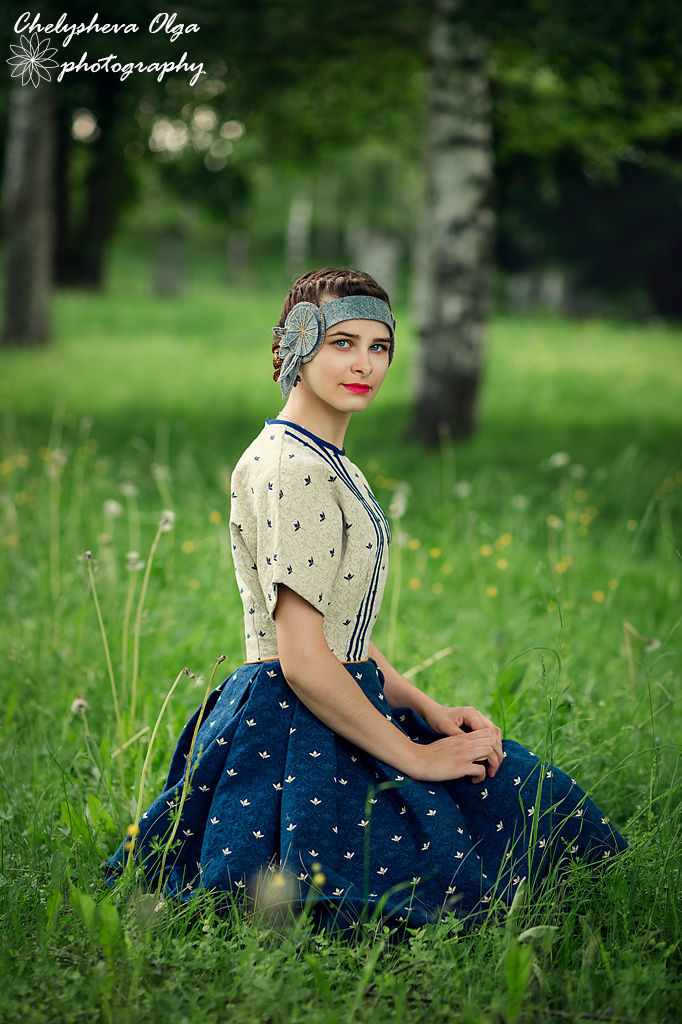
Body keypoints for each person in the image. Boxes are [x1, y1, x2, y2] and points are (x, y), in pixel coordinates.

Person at [107, 267, 627, 929]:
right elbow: (301, 657)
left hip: (340, 694)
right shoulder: (292, 467)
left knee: (530, 797)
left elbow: (338, 632)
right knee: (431, 877)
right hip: (294, 725)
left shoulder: (324, 457)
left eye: (379, 346)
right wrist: (413, 755)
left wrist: (430, 710)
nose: (365, 364)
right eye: (342, 343)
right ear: (296, 348)